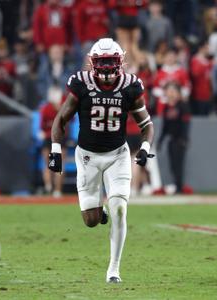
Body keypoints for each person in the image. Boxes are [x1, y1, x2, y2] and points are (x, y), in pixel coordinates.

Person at [48, 38, 154, 283]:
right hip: (87, 157)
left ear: (120, 62)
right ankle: (99, 212)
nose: (106, 67)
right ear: (92, 63)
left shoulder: (130, 86)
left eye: (110, 62)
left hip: (117, 155)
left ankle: (113, 270)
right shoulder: (81, 84)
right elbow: (61, 119)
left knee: (120, 208)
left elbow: (146, 124)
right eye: (102, 62)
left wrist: (145, 147)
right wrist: (55, 150)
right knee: (91, 220)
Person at [156, 83, 192, 194]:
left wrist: (185, 138)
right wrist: (160, 141)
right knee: (172, 164)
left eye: (173, 91)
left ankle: (179, 187)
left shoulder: (183, 106)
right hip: (171, 139)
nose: (171, 93)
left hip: (179, 139)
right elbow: (165, 126)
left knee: (178, 164)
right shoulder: (166, 107)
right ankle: (177, 186)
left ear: (178, 93)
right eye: (169, 91)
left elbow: (186, 123)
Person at [40, 86, 65, 197]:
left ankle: (53, 188)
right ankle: (53, 189)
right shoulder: (58, 108)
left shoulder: (47, 108)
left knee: (52, 165)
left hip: (54, 138)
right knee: (54, 165)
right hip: (55, 138)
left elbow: (42, 126)